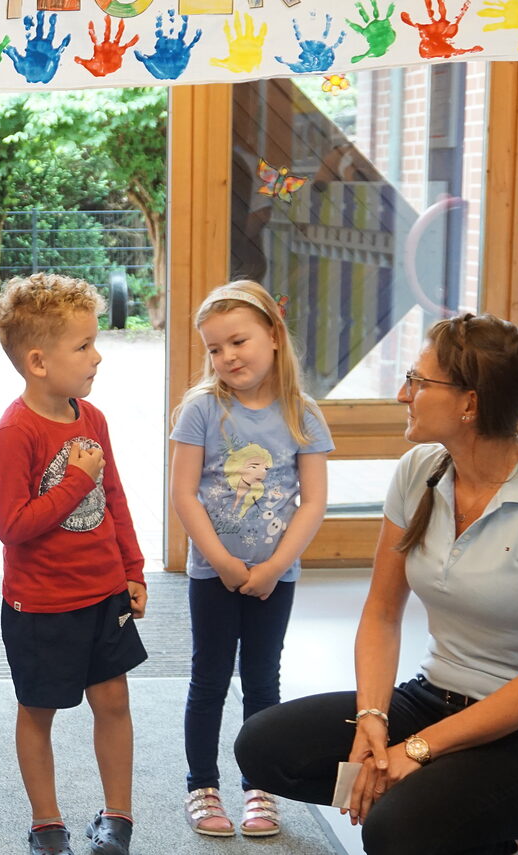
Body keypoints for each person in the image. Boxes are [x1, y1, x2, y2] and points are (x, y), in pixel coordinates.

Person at [235, 313, 518, 855]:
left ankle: (496, 829)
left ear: (470, 403)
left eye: (417, 382)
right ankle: (459, 820)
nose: (401, 394)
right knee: (266, 747)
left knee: (398, 832)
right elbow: (383, 614)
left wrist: (415, 751)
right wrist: (372, 721)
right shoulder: (420, 471)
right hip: (435, 699)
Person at [0, 273, 149, 855]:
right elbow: (13, 526)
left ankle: (118, 818)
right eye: (83, 346)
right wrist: (76, 479)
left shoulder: (92, 418)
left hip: (103, 593)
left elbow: (116, 497)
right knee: (39, 711)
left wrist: (132, 566)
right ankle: (46, 823)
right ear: (38, 361)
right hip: (41, 605)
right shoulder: (12, 434)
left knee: (115, 703)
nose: (97, 356)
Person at [167, 281, 332, 838]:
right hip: (213, 575)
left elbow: (313, 501)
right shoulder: (202, 410)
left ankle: (260, 785)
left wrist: (272, 567)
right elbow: (184, 494)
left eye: (238, 341)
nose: (227, 357)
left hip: (275, 577)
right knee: (209, 679)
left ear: (274, 338)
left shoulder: (302, 414)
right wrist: (223, 562)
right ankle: (202, 785)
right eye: (215, 348)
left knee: (263, 681)